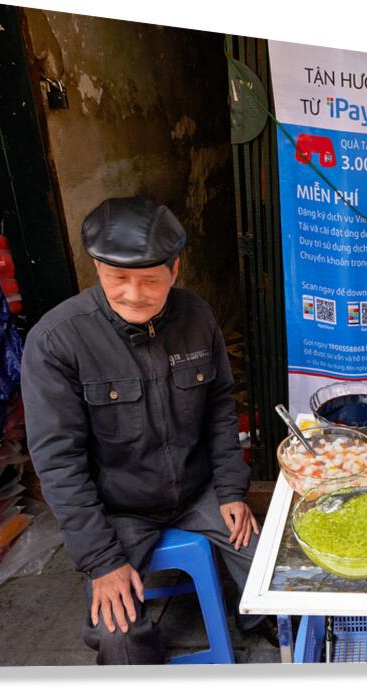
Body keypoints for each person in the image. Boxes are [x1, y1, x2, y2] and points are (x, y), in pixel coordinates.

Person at [21, 197, 277, 664]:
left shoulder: (197, 317)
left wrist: (230, 491)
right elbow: (59, 463)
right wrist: (102, 560)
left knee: (270, 570)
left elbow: (220, 406)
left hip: (198, 492)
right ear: (96, 266)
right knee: (118, 633)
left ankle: (256, 617)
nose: (134, 295)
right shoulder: (56, 341)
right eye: (118, 278)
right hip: (120, 510)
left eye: (151, 280)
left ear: (175, 269)